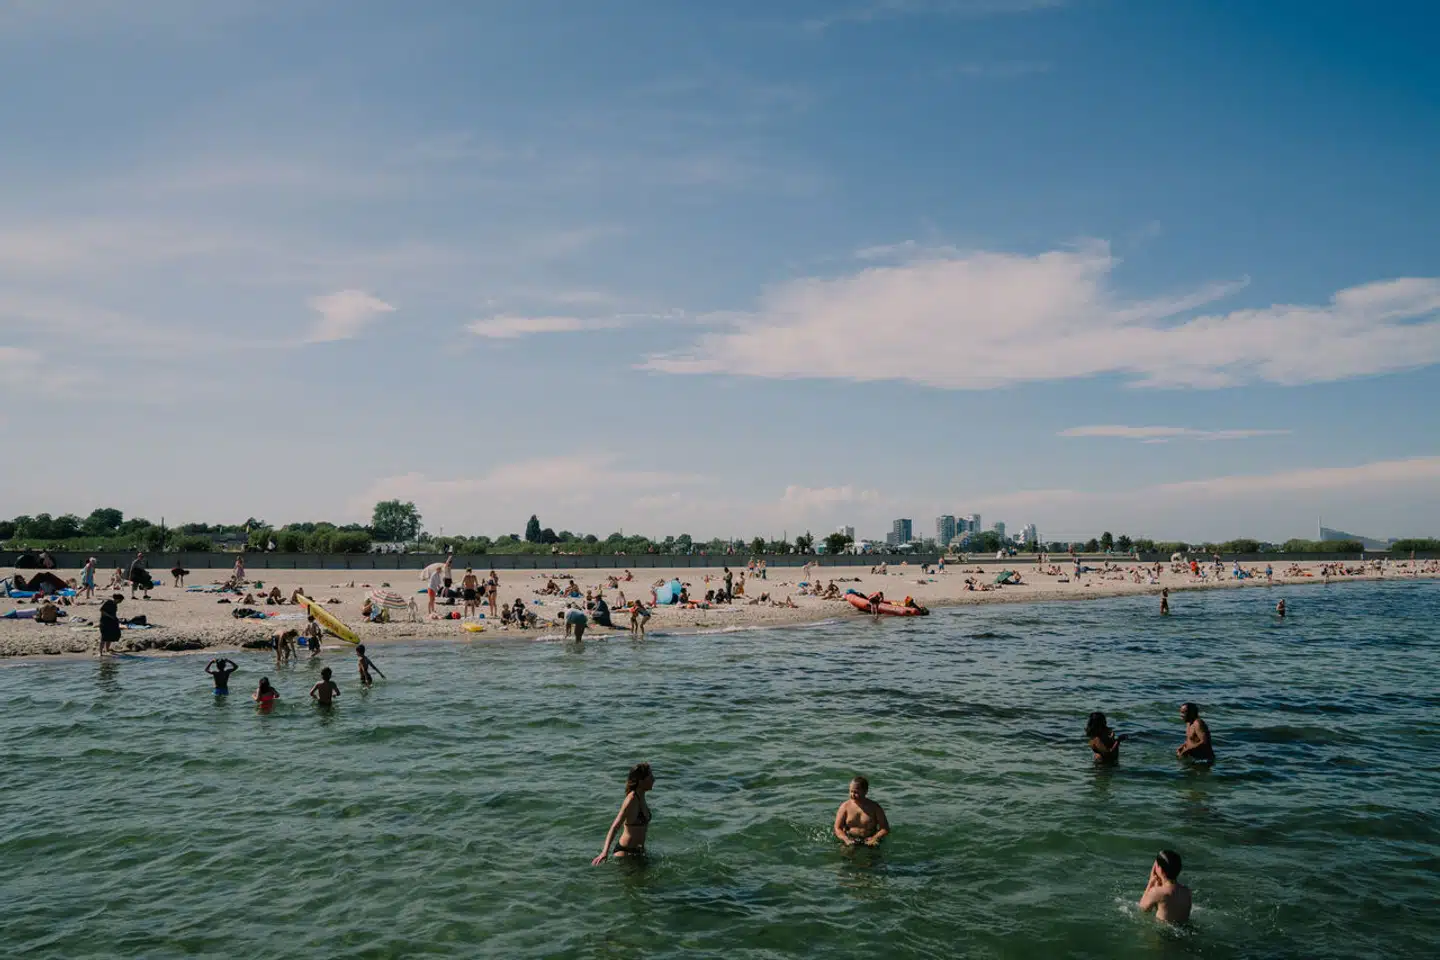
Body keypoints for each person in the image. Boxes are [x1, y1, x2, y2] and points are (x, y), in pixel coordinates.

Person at [591, 762, 655, 863]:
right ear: (641, 781)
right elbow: (615, 826)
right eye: (650, 777)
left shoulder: (642, 796)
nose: (653, 779)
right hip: (625, 853)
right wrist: (604, 852)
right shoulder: (631, 800)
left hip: (639, 852)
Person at [833, 776, 889, 847]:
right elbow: (837, 828)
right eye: (851, 791)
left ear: (865, 791)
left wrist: (875, 838)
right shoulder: (845, 807)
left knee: (873, 856)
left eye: (856, 792)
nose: (852, 795)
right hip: (850, 839)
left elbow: (885, 828)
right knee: (847, 853)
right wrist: (846, 839)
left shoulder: (875, 807)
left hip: (870, 839)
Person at [1139, 849, 1192, 924]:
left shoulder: (1158, 892)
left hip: (1163, 933)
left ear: (1160, 870)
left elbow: (1143, 908)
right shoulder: (1187, 891)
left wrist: (1150, 882)